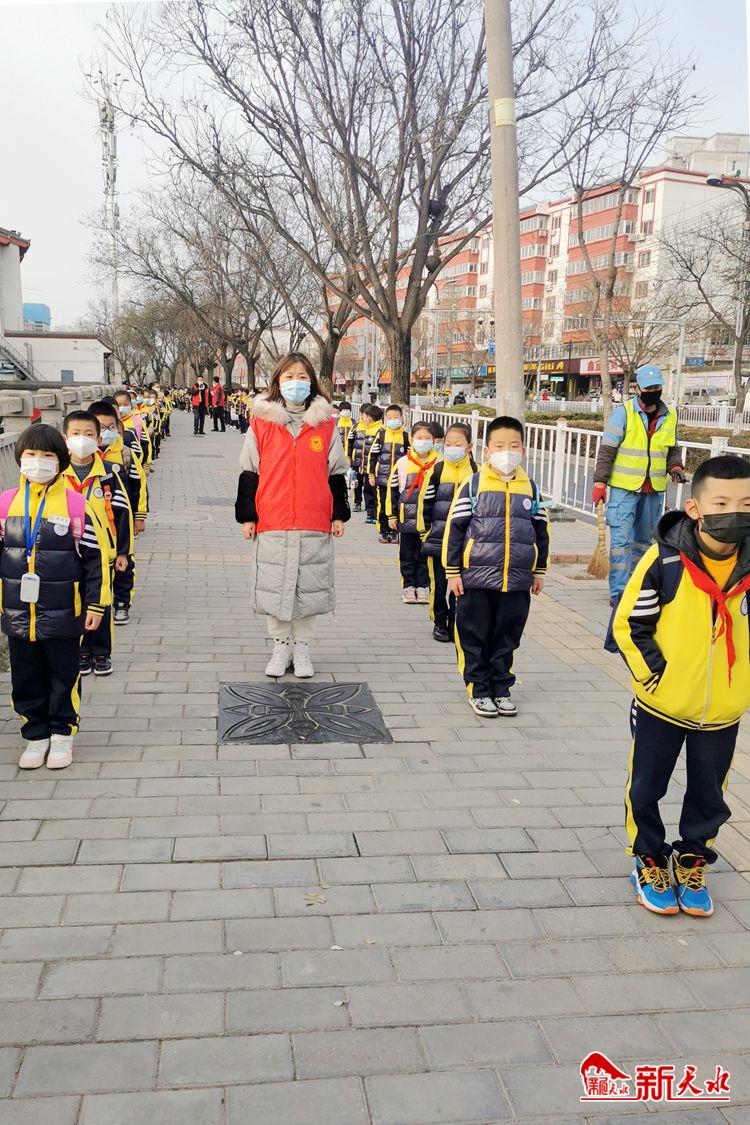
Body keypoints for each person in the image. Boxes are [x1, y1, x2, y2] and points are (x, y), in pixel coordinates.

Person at [613, 455, 750, 918]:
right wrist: (655, 677)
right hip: (662, 705)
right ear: (695, 508)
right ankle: (649, 860)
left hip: (723, 711)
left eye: (747, 504)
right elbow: (629, 625)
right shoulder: (665, 560)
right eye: (722, 503)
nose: (735, 513)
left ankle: (693, 860)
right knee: (646, 786)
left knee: (709, 794)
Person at [0, 424, 111, 770]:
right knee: (25, 677)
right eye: (31, 454)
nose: (38, 461)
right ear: (20, 458)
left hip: (64, 611)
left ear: (60, 460)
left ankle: (62, 734)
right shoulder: (6, 503)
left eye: (47, 455)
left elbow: (95, 560)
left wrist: (96, 604)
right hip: (18, 612)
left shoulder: (77, 505)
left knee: (64, 675)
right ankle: (35, 735)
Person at [235, 352, 350, 679]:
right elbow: (249, 471)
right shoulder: (262, 424)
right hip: (272, 518)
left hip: (314, 520)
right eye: (288, 377)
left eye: (302, 377)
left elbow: (336, 473)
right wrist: (248, 515)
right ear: (277, 382)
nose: (295, 383)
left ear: (312, 382)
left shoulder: (326, 426)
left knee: (308, 589)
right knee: (275, 587)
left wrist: (338, 514)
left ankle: (302, 648)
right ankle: (280, 646)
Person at [443, 416, 549, 717]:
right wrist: (452, 572)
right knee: (473, 635)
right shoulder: (474, 484)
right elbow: (455, 529)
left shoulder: (530, 488)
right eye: (499, 446)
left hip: (516, 580)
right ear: (487, 451)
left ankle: (501, 688)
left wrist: (539, 571)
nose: (507, 452)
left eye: (514, 446)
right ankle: (479, 690)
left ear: (523, 450)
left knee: (507, 637)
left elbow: (542, 532)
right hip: (475, 579)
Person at [592, 364, 685, 606]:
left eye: (657, 387)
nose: (653, 392)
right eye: (648, 388)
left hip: (653, 489)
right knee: (621, 542)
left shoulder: (670, 415)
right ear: (638, 389)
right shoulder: (624, 413)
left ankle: (636, 586)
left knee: (643, 542)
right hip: (625, 489)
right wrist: (600, 483)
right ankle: (619, 592)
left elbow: (672, 449)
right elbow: (607, 450)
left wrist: (675, 467)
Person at [61, 411, 134, 676]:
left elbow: (123, 514)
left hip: (103, 555)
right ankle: (81, 651)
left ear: (98, 439)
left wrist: (124, 552)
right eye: (76, 434)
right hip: (67, 554)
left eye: (89, 434)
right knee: (74, 605)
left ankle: (102, 653)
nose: (82, 439)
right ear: (65, 438)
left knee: (100, 603)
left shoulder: (109, 474)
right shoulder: (57, 474)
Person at [419, 422, 476, 642]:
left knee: (460, 584)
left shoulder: (477, 473)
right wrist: (425, 532)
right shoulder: (437, 470)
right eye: (448, 444)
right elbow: (424, 502)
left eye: (458, 444)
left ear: (469, 446)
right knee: (438, 584)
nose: (452, 448)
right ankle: (440, 621)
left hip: (465, 543)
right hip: (438, 539)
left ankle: (455, 620)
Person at [387, 421, 439, 604]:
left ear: (434, 440)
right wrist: (392, 515)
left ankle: (423, 587)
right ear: (411, 439)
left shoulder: (439, 463)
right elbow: (392, 490)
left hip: (429, 521)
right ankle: (408, 587)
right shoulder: (402, 463)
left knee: (425, 554)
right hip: (407, 519)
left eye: (427, 438)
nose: (423, 441)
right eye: (419, 438)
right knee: (407, 555)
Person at [367, 404, 409, 544]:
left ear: (402, 418)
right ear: (385, 419)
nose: (393, 420)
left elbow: (410, 458)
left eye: (395, 417)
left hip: (400, 481)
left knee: (397, 506)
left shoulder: (405, 437)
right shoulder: (381, 435)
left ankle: (395, 531)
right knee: (383, 505)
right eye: (389, 418)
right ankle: (383, 531)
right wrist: (371, 474)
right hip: (383, 479)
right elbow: (372, 455)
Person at [350, 404, 383, 522]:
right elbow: (364, 450)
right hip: (365, 466)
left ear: (369, 418)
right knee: (367, 490)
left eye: (364, 416)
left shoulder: (381, 431)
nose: (363, 418)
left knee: (375, 492)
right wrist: (361, 465)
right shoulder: (366, 429)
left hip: (376, 468)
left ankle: (377, 514)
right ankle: (370, 514)